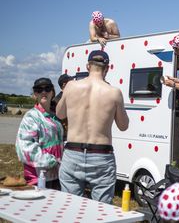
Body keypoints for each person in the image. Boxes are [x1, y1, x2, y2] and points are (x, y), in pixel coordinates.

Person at [56, 50, 129, 203]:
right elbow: (123, 126)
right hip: (101, 155)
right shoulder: (114, 92)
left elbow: (60, 114)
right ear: (107, 68)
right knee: (101, 211)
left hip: (73, 152)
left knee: (70, 207)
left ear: (88, 66)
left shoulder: (70, 86)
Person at [15, 77, 63, 189]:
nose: (44, 92)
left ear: (52, 92)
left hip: (57, 175)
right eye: (39, 90)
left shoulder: (55, 116)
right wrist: (51, 161)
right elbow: (25, 147)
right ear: (35, 94)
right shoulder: (31, 117)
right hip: (39, 177)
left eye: (47, 88)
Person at [53, 73, 73, 141]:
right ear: (64, 85)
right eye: (71, 82)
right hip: (63, 137)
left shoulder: (56, 99)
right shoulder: (57, 100)